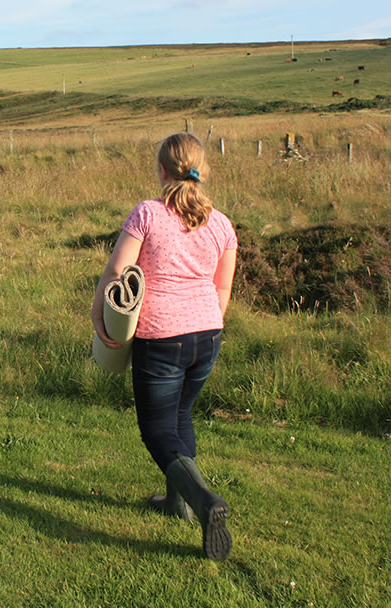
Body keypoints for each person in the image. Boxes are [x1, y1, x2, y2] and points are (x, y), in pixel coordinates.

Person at [91, 132, 238, 562]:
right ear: (201, 171)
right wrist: (209, 323)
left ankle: (203, 499)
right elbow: (222, 287)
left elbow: (118, 270)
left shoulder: (148, 214)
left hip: (161, 338)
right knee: (180, 417)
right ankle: (177, 505)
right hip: (207, 336)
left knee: (156, 431)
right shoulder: (223, 224)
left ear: (161, 170)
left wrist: (99, 312)